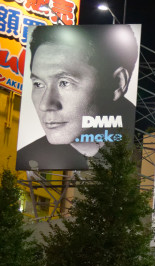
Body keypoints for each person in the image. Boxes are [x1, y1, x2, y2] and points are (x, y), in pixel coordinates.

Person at [17, 24, 139, 171]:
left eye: (64, 83)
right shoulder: (28, 156)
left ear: (118, 83)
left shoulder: (143, 151)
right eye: (38, 84)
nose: (45, 104)